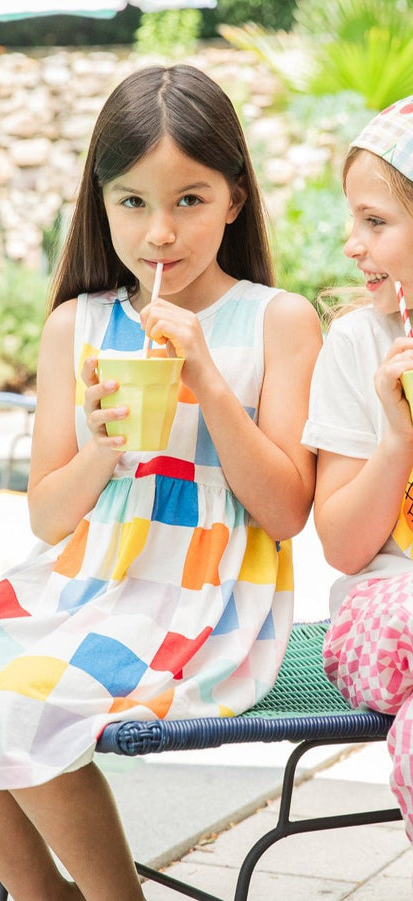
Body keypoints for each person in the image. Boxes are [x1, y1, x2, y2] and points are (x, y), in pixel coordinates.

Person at [0, 64, 321, 901]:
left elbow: (286, 510)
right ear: (102, 202)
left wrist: (209, 380)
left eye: (189, 200)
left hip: (209, 597)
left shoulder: (279, 320)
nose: (160, 232)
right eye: (134, 202)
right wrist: (102, 447)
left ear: (235, 198)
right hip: (87, 582)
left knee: (22, 703)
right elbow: (49, 519)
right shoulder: (76, 326)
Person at [302, 95, 413, 849]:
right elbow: (341, 545)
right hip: (381, 611)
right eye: (356, 220)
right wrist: (397, 433)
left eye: (376, 223)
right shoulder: (357, 345)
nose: (353, 243)